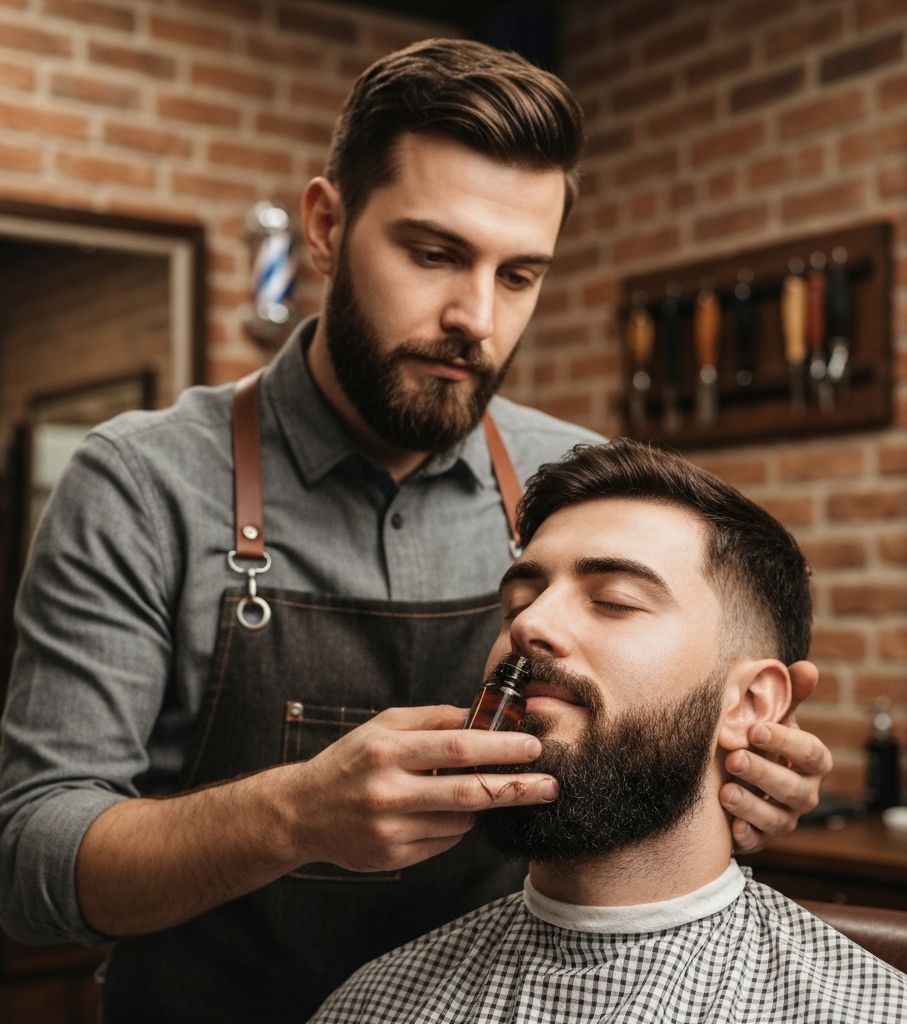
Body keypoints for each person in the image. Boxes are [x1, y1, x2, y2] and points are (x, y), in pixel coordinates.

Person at [0, 39, 831, 1024]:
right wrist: (296, 815)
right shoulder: (142, 483)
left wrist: (728, 773)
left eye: (518, 275)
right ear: (325, 224)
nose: (474, 319)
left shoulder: (573, 484)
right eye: (433, 254)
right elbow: (31, 862)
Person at [309, 439, 907, 1024]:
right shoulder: (373, 1003)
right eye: (518, 601)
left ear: (752, 703)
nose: (528, 626)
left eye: (615, 600)